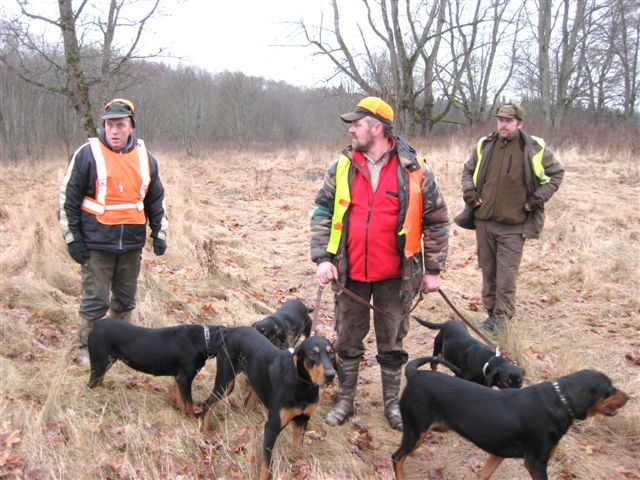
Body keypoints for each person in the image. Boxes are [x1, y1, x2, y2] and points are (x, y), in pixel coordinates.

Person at [310, 97, 449, 430]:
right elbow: (322, 212)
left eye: (357, 123)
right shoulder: (341, 166)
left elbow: (438, 220)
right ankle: (345, 401)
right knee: (346, 341)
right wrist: (322, 258)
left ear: (378, 127)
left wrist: (432, 270)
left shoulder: (415, 170)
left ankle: (392, 405)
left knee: (392, 343)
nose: (351, 128)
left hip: (397, 277)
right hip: (349, 273)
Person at [59, 98, 169, 366]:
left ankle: (119, 347)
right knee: (96, 300)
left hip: (131, 245)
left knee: (125, 301)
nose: (114, 131)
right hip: (96, 245)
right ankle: (87, 349)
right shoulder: (87, 154)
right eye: (110, 125)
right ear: (104, 126)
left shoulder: (145, 159)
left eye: (120, 125)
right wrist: (72, 238)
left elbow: (155, 200)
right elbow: (68, 200)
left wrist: (159, 233)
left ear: (131, 126)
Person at [459, 102, 564, 332]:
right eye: (500, 120)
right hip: (484, 221)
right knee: (488, 271)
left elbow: (556, 174)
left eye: (508, 121)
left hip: (514, 226)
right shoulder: (485, 145)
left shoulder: (533, 148)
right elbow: (467, 171)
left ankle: (502, 319)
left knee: (506, 275)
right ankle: (490, 314)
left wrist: (537, 199)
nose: (503, 125)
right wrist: (470, 192)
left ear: (520, 123)